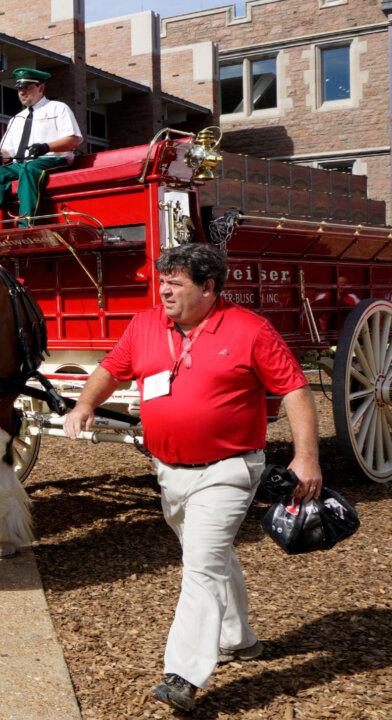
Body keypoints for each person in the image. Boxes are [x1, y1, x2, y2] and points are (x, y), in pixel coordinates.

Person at [62, 243, 323, 712]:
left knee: (200, 566)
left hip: (228, 470)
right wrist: (85, 404)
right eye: (162, 281)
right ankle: (240, 639)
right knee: (211, 556)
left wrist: (307, 458)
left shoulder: (249, 330)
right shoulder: (146, 325)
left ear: (209, 287)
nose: (164, 290)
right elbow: (111, 368)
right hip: (169, 472)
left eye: (176, 283)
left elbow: (295, 390)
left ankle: (183, 674)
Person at [0, 67, 82, 230]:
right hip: (21, 164)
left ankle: (27, 224)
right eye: (19, 89)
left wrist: (46, 147)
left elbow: (73, 140)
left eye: (27, 88)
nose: (22, 93)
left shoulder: (58, 108)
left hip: (52, 159)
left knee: (29, 169)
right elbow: (7, 152)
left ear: (41, 88)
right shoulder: (16, 119)